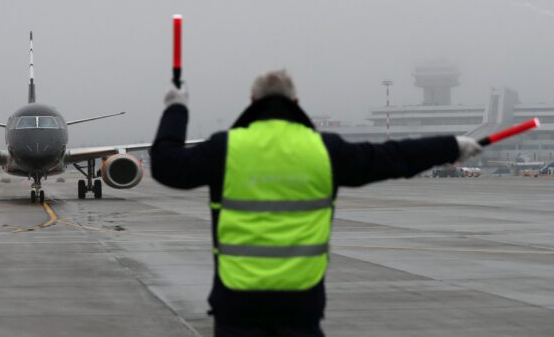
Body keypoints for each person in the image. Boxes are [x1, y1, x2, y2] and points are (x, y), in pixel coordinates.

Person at [150, 69, 482, 337]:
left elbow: (166, 165)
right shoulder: (324, 149)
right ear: (296, 101)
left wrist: (175, 108)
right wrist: (450, 147)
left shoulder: (226, 148)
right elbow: (393, 157)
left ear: (251, 101)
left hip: (238, 301)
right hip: (301, 301)